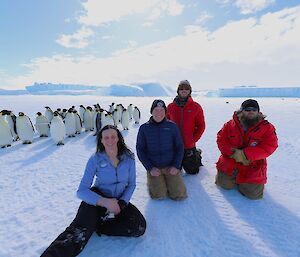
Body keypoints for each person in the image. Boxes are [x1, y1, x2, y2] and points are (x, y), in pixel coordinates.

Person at [41, 125, 146, 257]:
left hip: (119, 201)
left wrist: (122, 203)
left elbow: (131, 184)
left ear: (119, 138)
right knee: (79, 233)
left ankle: (99, 225)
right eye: (106, 137)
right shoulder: (95, 159)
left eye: (113, 136)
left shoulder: (129, 158)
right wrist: (105, 202)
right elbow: (81, 191)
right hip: (96, 199)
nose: (110, 140)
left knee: (139, 227)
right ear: (101, 140)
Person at [215, 99, 278, 199]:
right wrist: (234, 153)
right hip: (230, 161)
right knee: (223, 185)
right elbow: (221, 139)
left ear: (258, 111)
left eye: (254, 109)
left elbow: (270, 146)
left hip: (252, 165)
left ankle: (245, 182)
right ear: (241, 111)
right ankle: (232, 178)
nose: (251, 111)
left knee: (253, 195)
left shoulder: (267, 128)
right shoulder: (229, 125)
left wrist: (245, 154)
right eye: (247, 109)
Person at [136, 99, 187, 200]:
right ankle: (157, 182)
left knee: (179, 195)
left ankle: (172, 180)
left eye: (161, 110)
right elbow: (140, 149)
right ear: (151, 111)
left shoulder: (172, 126)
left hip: (170, 166)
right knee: (158, 196)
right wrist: (150, 168)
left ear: (165, 112)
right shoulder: (144, 128)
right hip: (154, 168)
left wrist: (176, 166)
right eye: (156, 110)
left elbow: (179, 147)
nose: (159, 113)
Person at [167, 80, 206, 174]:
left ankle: (196, 154)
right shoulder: (170, 107)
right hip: (174, 145)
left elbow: (201, 125)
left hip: (189, 145)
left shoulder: (196, 107)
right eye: (181, 88)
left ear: (190, 91)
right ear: (178, 91)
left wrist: (193, 139)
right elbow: (166, 124)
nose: (184, 90)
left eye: (186, 88)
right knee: (175, 170)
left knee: (192, 171)